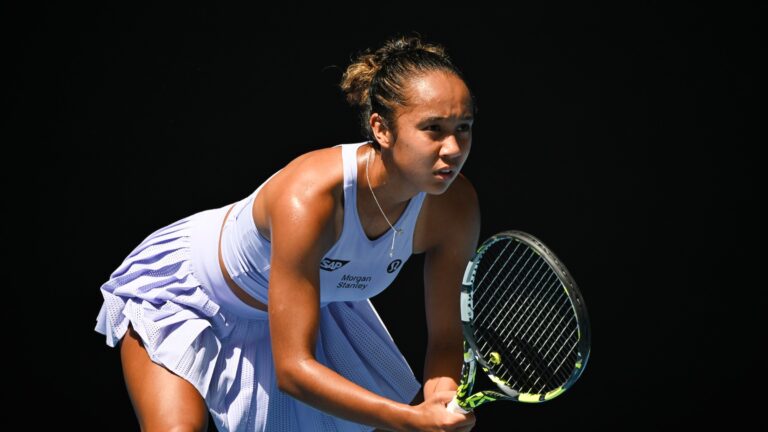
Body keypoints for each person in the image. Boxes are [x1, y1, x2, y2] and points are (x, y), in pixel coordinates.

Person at [95, 34, 480, 432]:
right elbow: (294, 369)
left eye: (463, 128)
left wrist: (439, 397)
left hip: (306, 313)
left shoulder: (455, 207)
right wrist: (411, 419)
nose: (453, 148)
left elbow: (447, 339)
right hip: (189, 296)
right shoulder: (311, 197)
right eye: (433, 129)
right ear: (382, 129)